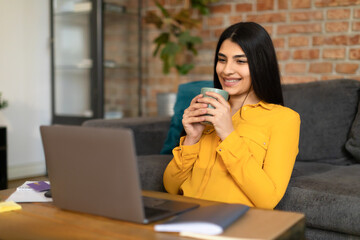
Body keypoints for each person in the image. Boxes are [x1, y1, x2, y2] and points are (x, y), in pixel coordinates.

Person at [163, 22, 301, 209]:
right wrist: (191, 139)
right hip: (186, 215)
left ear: (260, 65)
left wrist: (228, 134)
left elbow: (268, 200)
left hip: (230, 222)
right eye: (222, 60)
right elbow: (171, 188)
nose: (226, 70)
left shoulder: (284, 119)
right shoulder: (207, 112)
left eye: (240, 61)